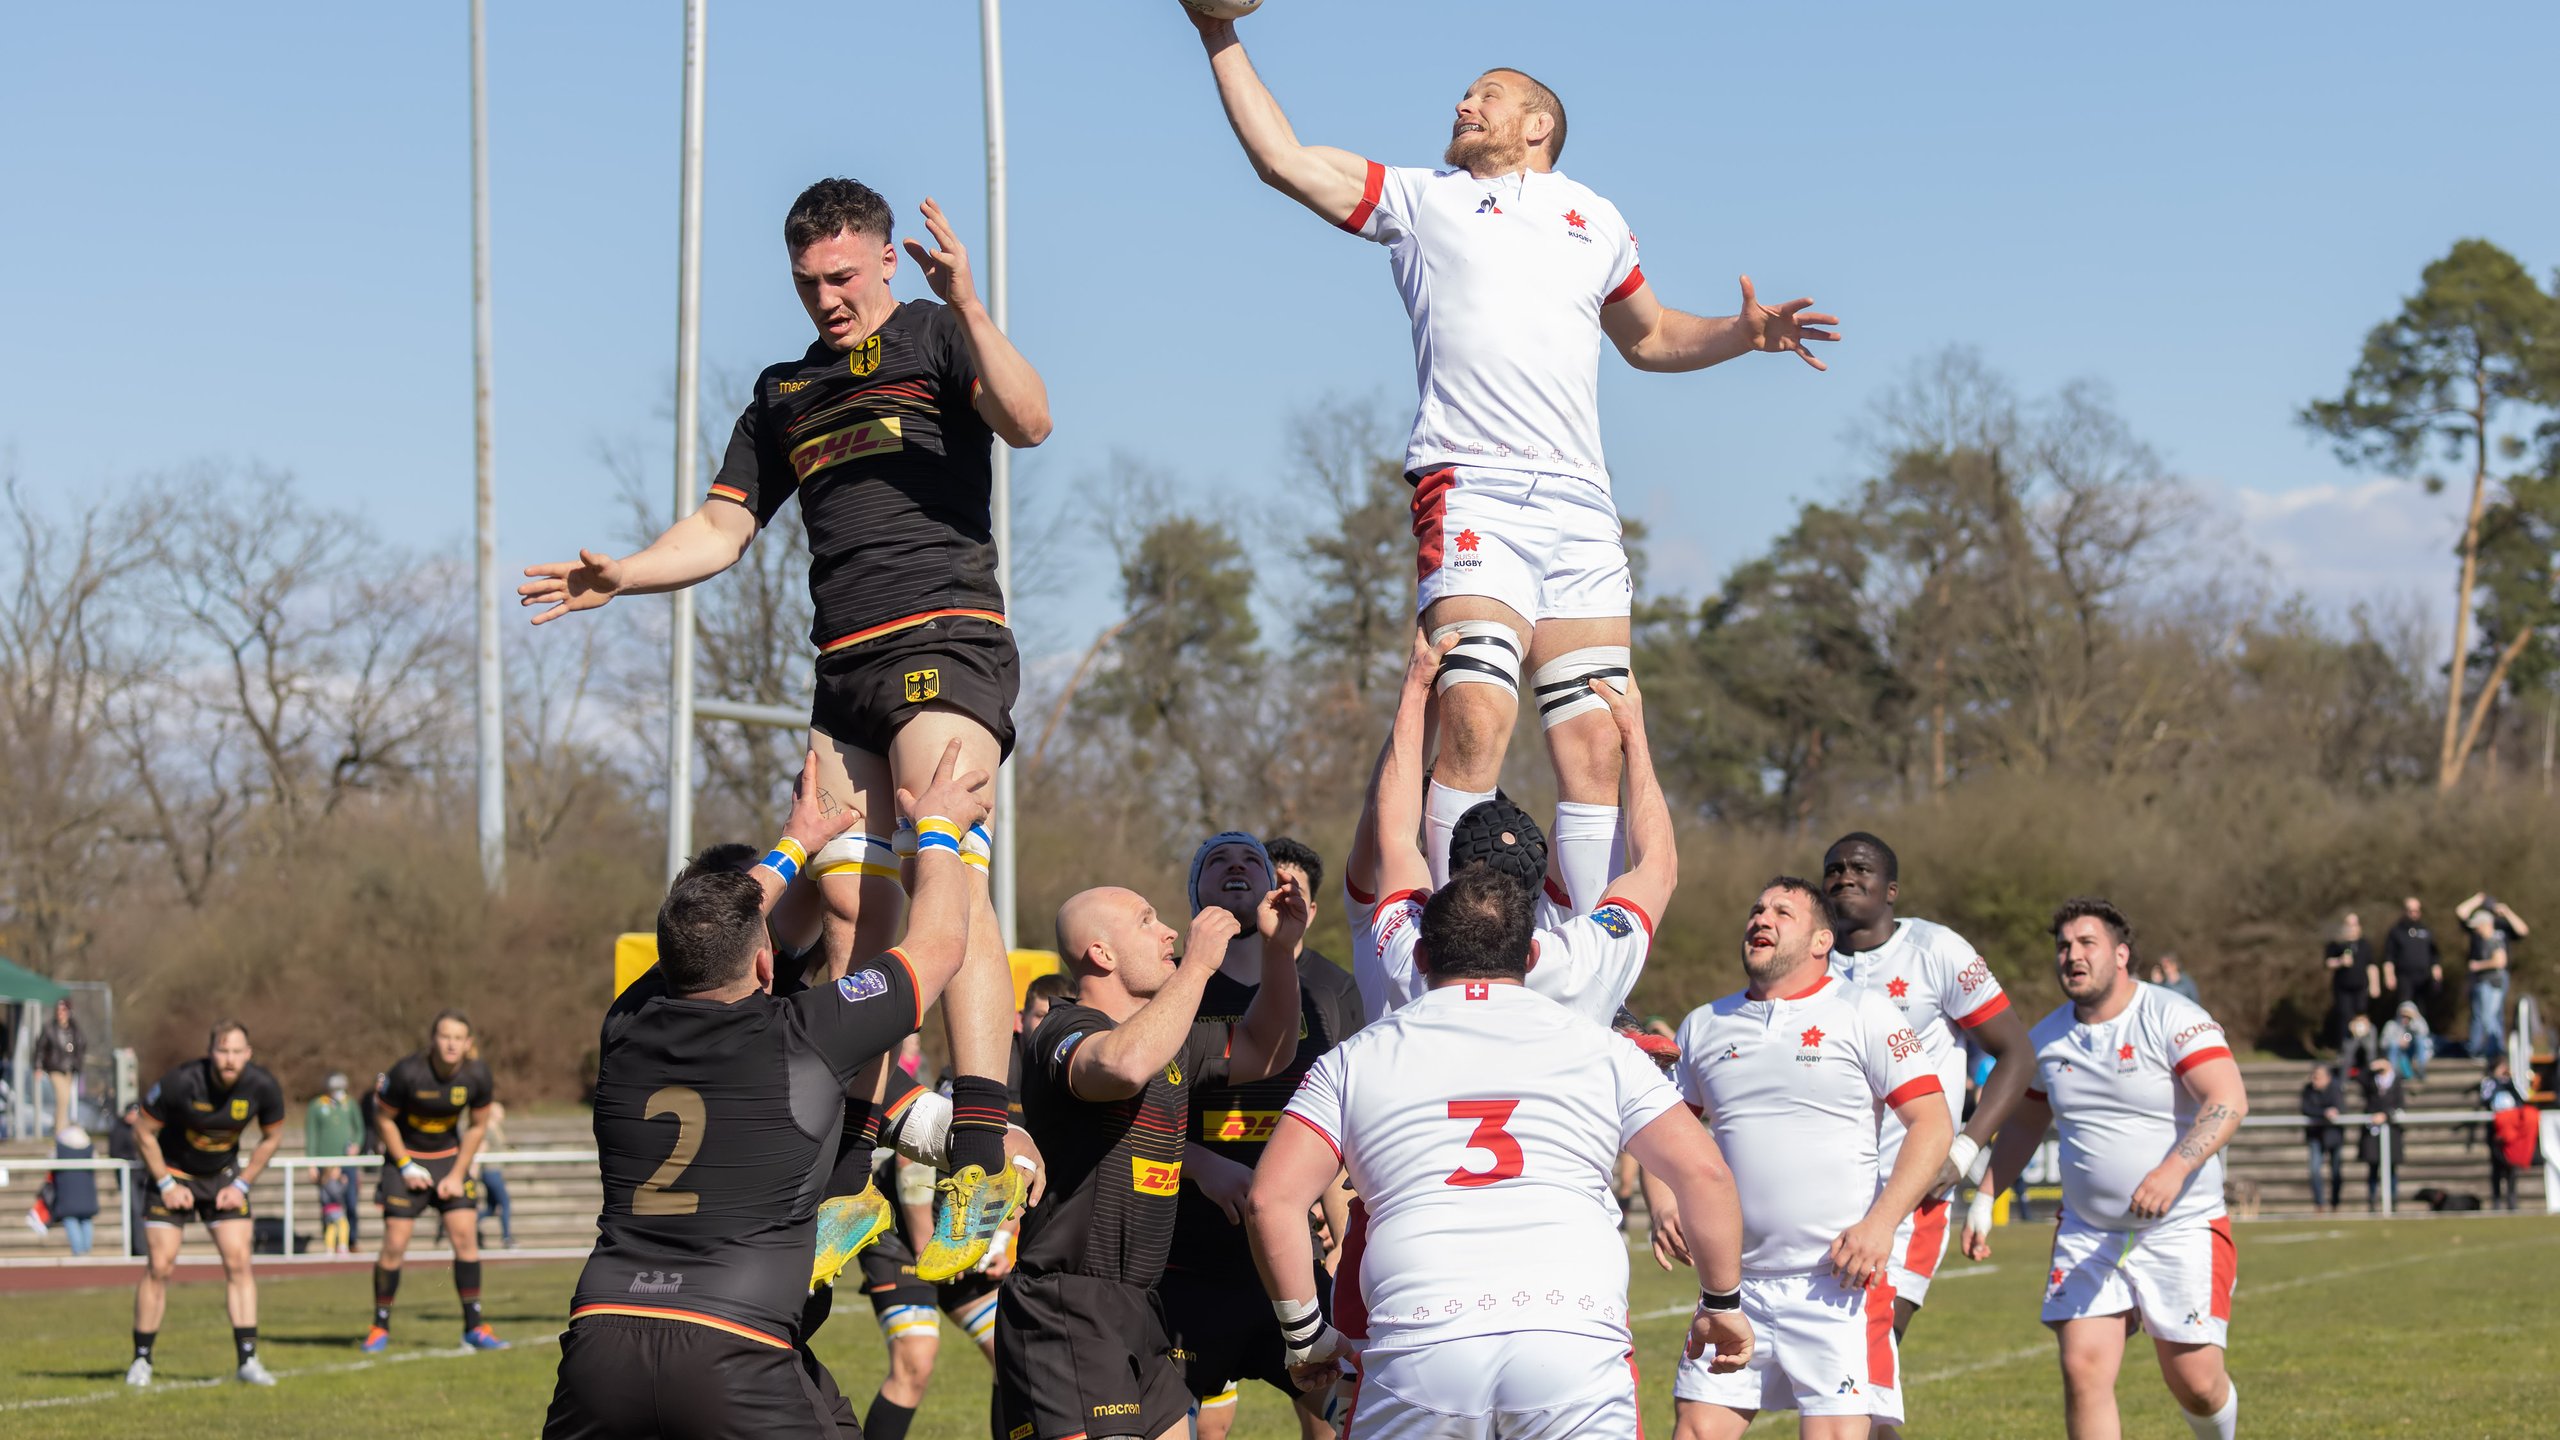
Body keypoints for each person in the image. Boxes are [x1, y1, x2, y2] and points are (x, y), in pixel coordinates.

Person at [1182, 8, 1838, 919]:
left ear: (1539, 124)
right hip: (1474, 482)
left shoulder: (1595, 217)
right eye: (1464, 93)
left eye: (1485, 93)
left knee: (1599, 744)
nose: (1462, 103)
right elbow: (1283, 158)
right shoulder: (1423, 199)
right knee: (1476, 717)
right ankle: (1451, 955)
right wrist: (1213, 31)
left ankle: (1579, 974)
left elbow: (1648, 338)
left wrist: (1741, 334)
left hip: (1580, 504)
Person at [521, 174, 1053, 1281]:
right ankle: (854, 1175)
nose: (827, 300)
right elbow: (719, 531)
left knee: (945, 864)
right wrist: (623, 574)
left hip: (943, 640)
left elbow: (1032, 420)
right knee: (853, 908)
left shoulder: (937, 337)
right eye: (808, 283)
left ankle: (982, 1143)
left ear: (885, 264)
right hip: (841, 667)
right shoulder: (781, 392)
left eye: (844, 278)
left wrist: (974, 309)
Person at [543, 742, 987, 1438]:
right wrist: (938, 830)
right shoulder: (805, 1032)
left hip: (600, 1337)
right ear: (763, 960)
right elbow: (940, 946)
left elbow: (709, 930)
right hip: (733, 1345)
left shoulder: (626, 1024)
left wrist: (791, 845)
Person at [1247, 864, 1755, 1437]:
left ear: (1419, 960)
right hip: (1571, 1335)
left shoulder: (1353, 1057)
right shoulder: (1603, 1049)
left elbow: (1271, 1199)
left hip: (1420, 1339)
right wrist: (1722, 1302)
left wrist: (1305, 1335)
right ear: (1532, 958)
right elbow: (1705, 1174)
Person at [996, 873, 1307, 1440]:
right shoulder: (1065, 1029)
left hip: (1142, 1305)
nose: (1169, 932)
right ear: (1101, 952)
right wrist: (1198, 968)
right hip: (1068, 1304)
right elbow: (1121, 1066)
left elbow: (1268, 1049)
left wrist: (1280, 951)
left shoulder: (1168, 1038)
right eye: (1147, 921)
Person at [1653, 877, 1954, 1440]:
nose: (1761, 918)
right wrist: (1664, 1199)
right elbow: (1662, 1127)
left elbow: (1933, 1124)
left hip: (1837, 1285)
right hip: (1732, 1286)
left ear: (1821, 941)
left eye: (1782, 912)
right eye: (1757, 908)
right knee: (1694, 1430)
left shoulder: (1866, 1012)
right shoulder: (1704, 1024)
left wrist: (1881, 1224)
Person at [1965, 899, 2247, 1440]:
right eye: (2064, 946)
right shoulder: (2045, 1040)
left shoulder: (2172, 1016)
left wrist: (2172, 1171)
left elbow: (2227, 1098)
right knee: (2083, 1369)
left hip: (2181, 1227)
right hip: (2087, 1231)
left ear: (2121, 954)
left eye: (2086, 943)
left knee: (2198, 1382)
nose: (2072, 955)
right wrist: (1985, 1197)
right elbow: (2024, 1125)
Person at [1345, 629, 1672, 1026]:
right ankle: (1617, 1017)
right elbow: (1656, 867)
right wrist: (1634, 737)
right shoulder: (1571, 968)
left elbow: (1391, 830)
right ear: (1532, 953)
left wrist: (1417, 692)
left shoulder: (1406, 948)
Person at [1819, 829, 2035, 1427]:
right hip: (1822, 1194)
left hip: (1910, 1191)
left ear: (1891, 888)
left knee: (1867, 1356)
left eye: (1860, 867)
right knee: (1853, 1373)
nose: (1844, 875)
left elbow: (2016, 1054)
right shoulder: (1808, 960)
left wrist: (1963, 1150)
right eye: (1833, 868)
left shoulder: (1937, 951)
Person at [1163, 831, 1366, 1440]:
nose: (1236, 866)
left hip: (1288, 1263)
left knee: (1350, 1419)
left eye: (1250, 858)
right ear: (1194, 890)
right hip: (1183, 1263)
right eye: (1217, 860)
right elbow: (1128, 1117)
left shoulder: (1324, 993)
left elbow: (1340, 1122)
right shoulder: (1169, 984)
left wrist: (1343, 1233)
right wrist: (1200, 1164)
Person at [128, 1020, 289, 1387]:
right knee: (160, 1265)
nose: (229, 1059)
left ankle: (248, 1360)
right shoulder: (181, 1082)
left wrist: (243, 1184)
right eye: (223, 1050)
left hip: (223, 1180)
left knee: (238, 1261)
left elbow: (272, 1136)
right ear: (210, 1052)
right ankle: (142, 1361)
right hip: (172, 1174)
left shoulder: (262, 1086)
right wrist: (166, 1184)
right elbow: (143, 1131)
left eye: (237, 1051)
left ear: (248, 1054)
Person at [363, 1009, 504, 1353]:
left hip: (448, 1162)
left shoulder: (477, 1074)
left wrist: (457, 1174)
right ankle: (379, 1326)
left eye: (458, 1038)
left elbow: (477, 1125)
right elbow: (383, 1120)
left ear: (468, 1043)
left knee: (465, 1237)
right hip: (404, 1159)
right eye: (445, 1036)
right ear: (432, 1040)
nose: (451, 1044)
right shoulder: (407, 1071)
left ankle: (475, 1327)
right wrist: (406, 1165)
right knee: (395, 1243)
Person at [306, 1071, 363, 1253]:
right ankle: (329, 1243)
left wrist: (356, 1145)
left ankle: (351, 1241)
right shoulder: (316, 1106)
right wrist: (312, 1163)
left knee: (351, 1202)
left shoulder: (350, 1104)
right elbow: (312, 1135)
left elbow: (360, 1130)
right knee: (328, 1205)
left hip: (347, 1163)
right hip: (326, 1162)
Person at [2356, 1056, 2408, 1212]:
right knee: (2373, 1167)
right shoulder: (2372, 1080)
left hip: (2391, 1130)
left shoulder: (2396, 1081)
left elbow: (2400, 1105)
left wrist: (2385, 1115)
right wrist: (2370, 1067)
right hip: (2373, 1131)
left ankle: (2393, 1201)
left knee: (2391, 1168)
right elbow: (2359, 1078)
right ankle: (2372, 1201)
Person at [2460, 907, 2512, 1061]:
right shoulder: (2484, 941)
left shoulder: (2494, 940)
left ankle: (2495, 1052)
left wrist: (2478, 965)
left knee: (2489, 1018)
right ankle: (2492, 1051)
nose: (2476, 930)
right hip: (2485, 983)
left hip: (2492, 983)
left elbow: (2500, 962)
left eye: (2477, 926)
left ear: (2485, 924)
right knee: (2486, 1018)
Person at [2323, 912, 2380, 1050]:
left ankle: (2362, 1050)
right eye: (2348, 924)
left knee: (2361, 1018)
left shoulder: (2364, 944)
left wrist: (2375, 985)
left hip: (2360, 987)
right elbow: (2327, 963)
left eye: (2354, 924)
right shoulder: (2337, 944)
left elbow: (2371, 965)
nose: (2351, 928)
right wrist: (2340, 961)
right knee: (2345, 1018)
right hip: (2343, 988)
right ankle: (2345, 1050)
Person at [2382, 897, 2442, 1023]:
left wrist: (2436, 970)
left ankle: (2421, 1039)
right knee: (2405, 1009)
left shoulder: (2425, 930)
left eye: (2416, 911)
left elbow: (2434, 954)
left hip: (2424, 977)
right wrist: (2389, 975)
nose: (2414, 913)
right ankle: (2404, 1039)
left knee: (2422, 1010)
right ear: (2404, 911)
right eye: (2410, 910)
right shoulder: (2396, 931)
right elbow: (2389, 956)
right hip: (2405, 977)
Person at [2480, 1056, 2528, 1212]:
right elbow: (2486, 1099)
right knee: (2496, 1166)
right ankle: (2496, 1199)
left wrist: (2510, 1083)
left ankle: (2511, 1198)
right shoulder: (2489, 1082)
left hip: (2511, 1130)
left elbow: (2522, 1099)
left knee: (2512, 1165)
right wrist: (2497, 1081)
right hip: (2496, 1130)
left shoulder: (2511, 1083)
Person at [2298, 1063, 2345, 1213]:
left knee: (2336, 1171)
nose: (2314, 1080)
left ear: (2327, 1078)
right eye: (2314, 1077)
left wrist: (2332, 1112)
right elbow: (2306, 1109)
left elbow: (2341, 1107)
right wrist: (2324, 1112)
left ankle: (2335, 1203)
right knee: (2314, 1170)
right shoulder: (2308, 1090)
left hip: (2333, 1135)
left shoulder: (2335, 1089)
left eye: (2318, 1077)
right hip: (2315, 1136)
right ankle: (2319, 1203)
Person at [48, 1123, 101, 1256]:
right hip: (86, 1190)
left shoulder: (60, 1147)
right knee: (86, 1220)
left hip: (66, 1190)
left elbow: (50, 1160)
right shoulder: (88, 1146)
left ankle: (78, 1251)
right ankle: (86, 1250)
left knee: (70, 1219)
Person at [35, 996, 83, 1137]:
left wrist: (77, 1062)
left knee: (67, 1098)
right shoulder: (50, 1028)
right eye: (59, 1010)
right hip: (54, 1068)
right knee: (63, 1097)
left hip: (69, 1069)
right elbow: (40, 1048)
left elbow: (82, 1043)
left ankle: (61, 1124)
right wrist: (38, 1066)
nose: (61, 1013)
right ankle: (60, 1129)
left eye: (64, 1010)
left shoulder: (74, 1029)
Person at [474, 1101, 515, 1249]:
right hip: (490, 1172)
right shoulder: (489, 1130)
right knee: (505, 1203)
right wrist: (473, 1171)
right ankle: (507, 1238)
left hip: (496, 1171)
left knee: (491, 1208)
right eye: (500, 1111)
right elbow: (481, 1150)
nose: (503, 1114)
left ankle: (469, 1223)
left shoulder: (497, 1129)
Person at [2380, 1003, 2434, 1081]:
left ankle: (2421, 1069)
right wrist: (2397, 1042)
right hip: (2398, 1055)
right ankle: (2393, 1074)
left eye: (2408, 1015)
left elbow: (2425, 1033)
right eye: (2403, 1015)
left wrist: (2415, 1020)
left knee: (2420, 1040)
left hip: (2412, 1053)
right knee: (2393, 1045)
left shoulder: (2416, 1023)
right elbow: (2382, 1043)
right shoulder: (2391, 1025)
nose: (2405, 1017)